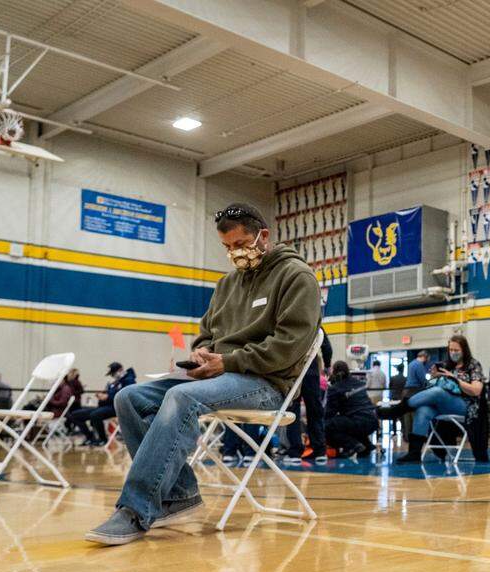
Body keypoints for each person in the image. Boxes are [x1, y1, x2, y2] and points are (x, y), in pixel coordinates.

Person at [84, 202, 321, 545]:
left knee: (182, 396)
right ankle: (179, 494)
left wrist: (229, 362)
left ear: (263, 236)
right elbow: (207, 331)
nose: (234, 253)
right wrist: (202, 351)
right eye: (227, 247)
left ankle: (135, 510)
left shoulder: (296, 277)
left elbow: (289, 346)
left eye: (240, 245)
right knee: (128, 398)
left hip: (269, 383)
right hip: (220, 376)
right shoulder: (227, 284)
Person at [392, 335, 484, 463]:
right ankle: (414, 454)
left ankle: (398, 409)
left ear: (464, 350)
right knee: (423, 410)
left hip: (466, 405)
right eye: (451, 350)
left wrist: (455, 379)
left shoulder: (473, 365)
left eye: (456, 350)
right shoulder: (447, 365)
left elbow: (476, 390)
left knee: (438, 392)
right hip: (444, 404)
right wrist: (435, 377)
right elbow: (435, 383)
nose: (453, 353)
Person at [68, 362, 135, 446]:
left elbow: (123, 396)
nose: (112, 376)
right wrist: (102, 396)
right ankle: (90, 438)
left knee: (95, 415)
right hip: (106, 406)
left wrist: (107, 397)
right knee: (75, 415)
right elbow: (110, 394)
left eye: (113, 373)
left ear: (120, 370)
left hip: (117, 408)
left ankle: (103, 439)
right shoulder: (115, 382)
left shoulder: (129, 381)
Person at [323, 361, 378, 457]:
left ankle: (353, 445)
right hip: (373, 420)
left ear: (334, 373)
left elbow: (329, 413)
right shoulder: (359, 383)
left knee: (326, 425)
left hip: (357, 422)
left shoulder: (335, 388)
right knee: (349, 422)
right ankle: (367, 445)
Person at [282, 349, 327, 465]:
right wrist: (327, 364)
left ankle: (295, 452)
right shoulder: (318, 329)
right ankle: (320, 451)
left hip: (293, 366)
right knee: (314, 410)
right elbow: (327, 347)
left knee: (293, 410)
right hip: (310, 367)